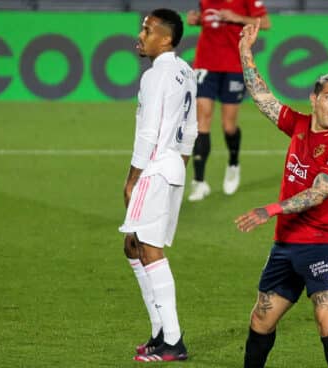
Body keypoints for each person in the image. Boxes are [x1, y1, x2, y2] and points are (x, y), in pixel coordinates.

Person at [236, 20, 328, 368]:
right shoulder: (299, 125)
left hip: (322, 244)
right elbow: (263, 99)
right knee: (261, 320)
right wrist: (245, 51)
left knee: (327, 317)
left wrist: (270, 209)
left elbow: (316, 194)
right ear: (314, 99)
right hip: (285, 245)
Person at [119, 8, 197, 362]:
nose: (141, 34)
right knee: (133, 246)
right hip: (172, 168)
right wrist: (177, 165)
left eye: (148, 30)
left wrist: (133, 178)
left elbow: (149, 130)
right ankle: (158, 332)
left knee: (149, 251)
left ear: (166, 39)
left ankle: (173, 341)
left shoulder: (155, 76)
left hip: (153, 168)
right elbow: (191, 127)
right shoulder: (185, 70)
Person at [185, 0, 271, 201]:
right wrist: (196, 20)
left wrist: (237, 18)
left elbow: (265, 23)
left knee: (228, 126)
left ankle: (233, 164)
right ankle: (199, 182)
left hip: (234, 65)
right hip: (206, 63)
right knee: (202, 121)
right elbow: (206, 18)